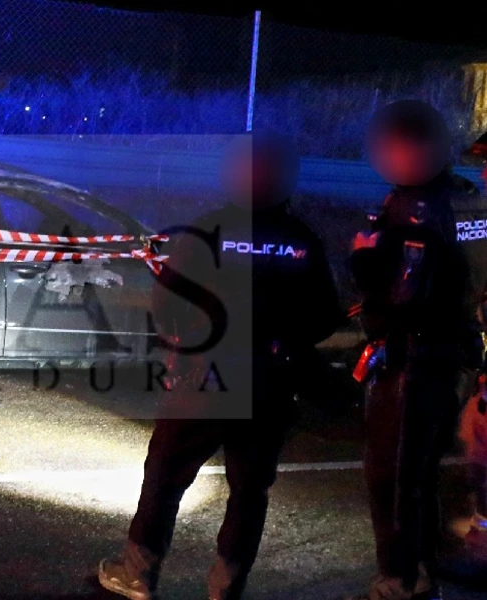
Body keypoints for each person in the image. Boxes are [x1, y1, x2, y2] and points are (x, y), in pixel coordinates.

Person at [96, 131, 343, 600]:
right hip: (269, 382)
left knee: (166, 476)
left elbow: (166, 309)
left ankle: (137, 572)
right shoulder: (301, 241)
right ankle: (227, 586)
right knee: (249, 491)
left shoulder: (205, 232)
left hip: (204, 379)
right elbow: (323, 317)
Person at [345, 100, 487, 600]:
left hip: (412, 357)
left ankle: (400, 578)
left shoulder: (416, 206)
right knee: (421, 471)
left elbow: (405, 294)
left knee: (393, 473)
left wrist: (363, 261)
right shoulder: (469, 198)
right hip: (453, 351)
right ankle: (423, 566)